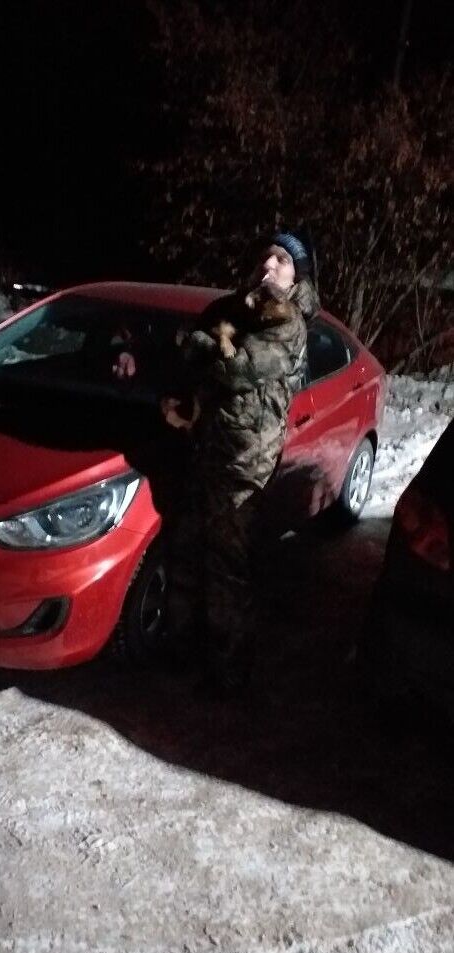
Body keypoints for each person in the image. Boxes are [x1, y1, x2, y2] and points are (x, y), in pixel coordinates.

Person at [159, 231, 321, 696]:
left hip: (244, 465)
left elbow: (236, 368)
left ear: (297, 277)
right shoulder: (232, 308)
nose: (268, 265)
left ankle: (228, 675)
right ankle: (180, 649)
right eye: (265, 256)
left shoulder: (288, 324)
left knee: (228, 570)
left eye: (282, 260)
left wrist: (198, 344)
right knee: (186, 553)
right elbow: (184, 356)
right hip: (203, 451)